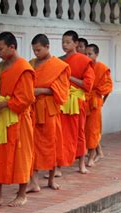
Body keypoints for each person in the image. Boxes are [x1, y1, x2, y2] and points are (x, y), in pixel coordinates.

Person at [0, 32, 35, 207]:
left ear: (12, 47)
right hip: (3, 117)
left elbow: (26, 98)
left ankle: (22, 193)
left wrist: (1, 105)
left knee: (21, 156)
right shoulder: (1, 67)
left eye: (1, 49)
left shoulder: (24, 68)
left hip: (18, 119)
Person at [27, 34, 70, 192]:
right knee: (31, 146)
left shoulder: (59, 66)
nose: (36, 53)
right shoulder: (30, 64)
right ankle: (33, 181)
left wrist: (41, 90)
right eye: (34, 50)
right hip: (32, 110)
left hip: (49, 111)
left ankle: (51, 179)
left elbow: (63, 90)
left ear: (47, 47)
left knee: (52, 144)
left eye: (38, 50)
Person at [58, 30, 95, 174]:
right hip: (62, 100)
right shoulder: (59, 61)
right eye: (63, 42)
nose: (64, 45)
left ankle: (81, 165)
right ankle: (58, 166)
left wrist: (70, 77)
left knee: (79, 133)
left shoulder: (84, 61)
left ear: (76, 43)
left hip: (77, 102)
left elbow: (87, 85)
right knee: (60, 134)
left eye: (68, 42)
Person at [85, 43, 113, 166]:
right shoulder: (84, 66)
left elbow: (108, 86)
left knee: (93, 130)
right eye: (86, 54)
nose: (87, 56)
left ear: (96, 54)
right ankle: (92, 153)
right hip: (83, 101)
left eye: (90, 54)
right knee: (84, 130)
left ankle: (91, 157)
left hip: (95, 103)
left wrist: (101, 100)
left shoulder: (102, 68)